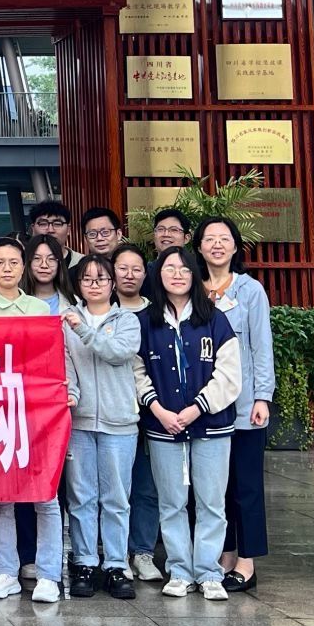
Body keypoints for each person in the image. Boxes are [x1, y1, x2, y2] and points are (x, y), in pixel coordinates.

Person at [136, 244, 241, 600]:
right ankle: (180, 570)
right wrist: (158, 410)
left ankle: (209, 572)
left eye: (184, 269)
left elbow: (229, 374)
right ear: (158, 275)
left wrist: (198, 407)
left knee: (211, 502)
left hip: (211, 426)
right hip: (163, 426)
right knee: (171, 503)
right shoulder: (146, 322)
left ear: (194, 275)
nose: (177, 275)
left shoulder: (215, 319)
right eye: (169, 268)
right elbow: (137, 372)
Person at [0, 237, 64, 604]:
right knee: (0, 498)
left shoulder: (39, 308)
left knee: (46, 497)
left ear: (23, 267)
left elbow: (53, 359)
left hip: (38, 413)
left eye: (13, 262)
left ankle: (49, 574)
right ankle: (4, 571)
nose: (7, 268)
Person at [196, 216, 275, 593]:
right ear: (198, 247)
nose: (216, 244)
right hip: (205, 405)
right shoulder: (191, 288)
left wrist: (263, 397)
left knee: (247, 486)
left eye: (224, 238)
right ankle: (225, 554)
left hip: (244, 405)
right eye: (209, 239)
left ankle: (247, 560)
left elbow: (262, 346)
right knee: (215, 488)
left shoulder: (250, 290)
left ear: (235, 246)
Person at [61, 253, 141, 601]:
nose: (94, 285)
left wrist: (83, 330)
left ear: (112, 284)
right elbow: (66, 366)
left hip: (119, 422)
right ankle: (84, 562)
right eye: (87, 279)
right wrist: (72, 395)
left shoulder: (127, 320)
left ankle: (116, 564)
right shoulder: (66, 320)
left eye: (101, 278)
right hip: (79, 423)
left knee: (116, 499)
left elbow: (118, 353)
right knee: (81, 497)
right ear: (78, 284)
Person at [113, 243, 164, 583]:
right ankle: (113, 553)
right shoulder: (99, 309)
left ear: (146, 275)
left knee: (147, 485)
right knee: (113, 488)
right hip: (111, 411)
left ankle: (143, 551)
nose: (129, 275)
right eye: (123, 268)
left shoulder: (157, 313)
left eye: (136, 269)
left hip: (152, 410)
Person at [24, 233, 72, 313]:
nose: (44, 265)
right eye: (37, 258)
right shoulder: (15, 301)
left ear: (59, 263)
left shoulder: (74, 302)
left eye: (51, 259)